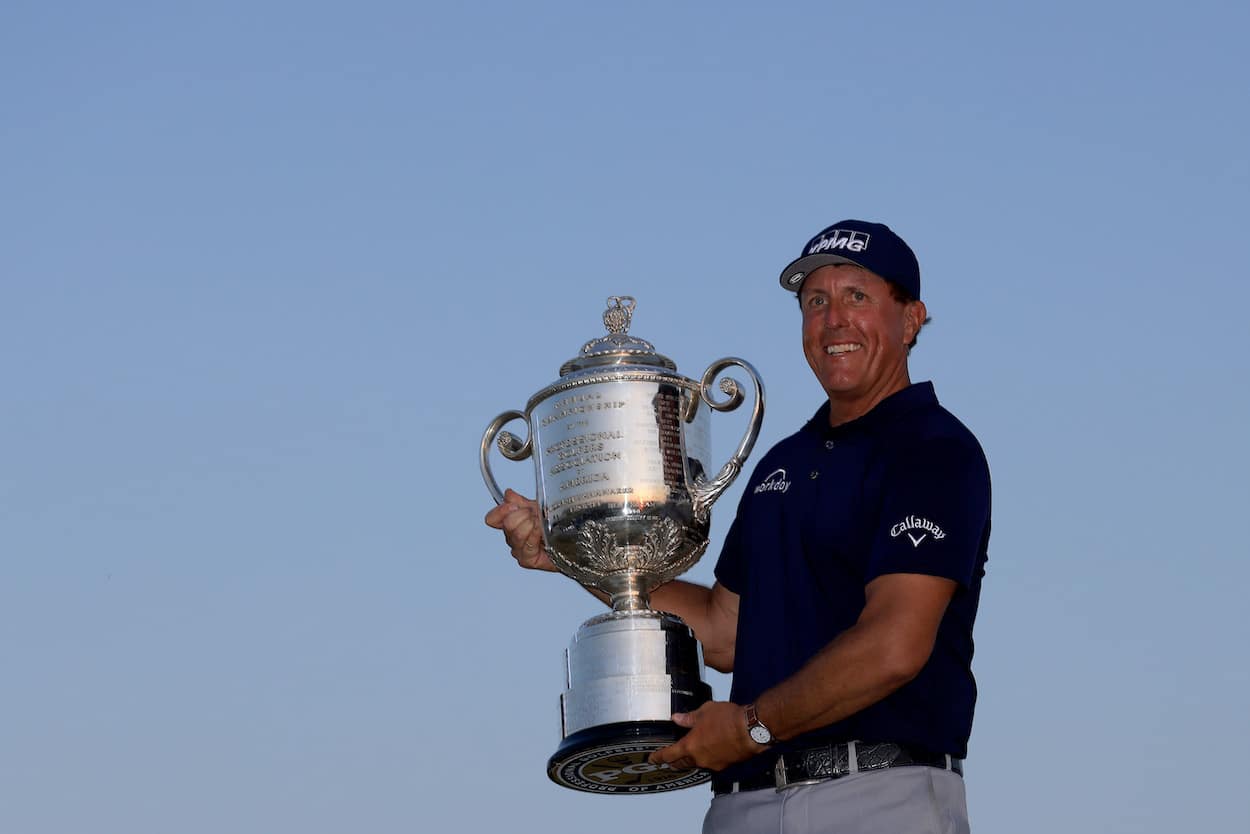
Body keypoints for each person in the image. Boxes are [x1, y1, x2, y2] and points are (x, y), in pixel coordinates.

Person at [486, 219, 991, 834]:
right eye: (815, 302)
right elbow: (724, 633)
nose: (834, 320)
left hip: (877, 796)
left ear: (910, 319)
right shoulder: (784, 463)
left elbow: (894, 645)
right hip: (745, 803)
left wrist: (753, 724)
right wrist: (574, 551)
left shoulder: (934, 450)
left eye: (858, 296)